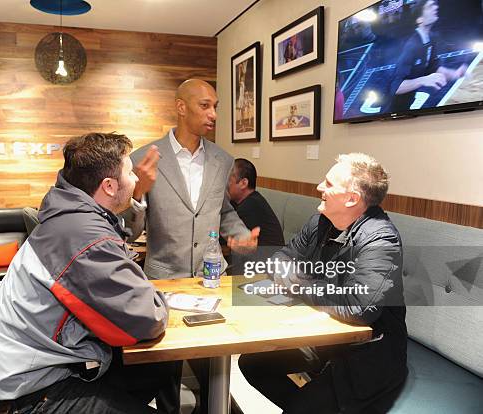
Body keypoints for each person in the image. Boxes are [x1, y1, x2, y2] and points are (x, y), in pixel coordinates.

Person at [0, 132, 179, 414]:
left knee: (160, 366)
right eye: (129, 172)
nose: (136, 179)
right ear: (109, 186)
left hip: (45, 365)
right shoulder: (84, 238)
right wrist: (156, 295)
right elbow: (147, 318)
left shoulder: (72, 213)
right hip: (36, 392)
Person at [123, 79, 259, 414]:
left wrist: (239, 233)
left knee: (215, 368)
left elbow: (222, 210)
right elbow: (126, 229)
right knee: (166, 374)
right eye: (204, 105)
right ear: (181, 107)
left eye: (216, 106)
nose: (213, 114)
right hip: (163, 281)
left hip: (211, 281)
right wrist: (138, 193)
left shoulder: (222, 160)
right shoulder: (144, 157)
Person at [239, 153, 408, 413]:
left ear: (352, 198)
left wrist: (296, 282)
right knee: (252, 364)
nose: (319, 187)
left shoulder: (381, 240)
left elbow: (357, 308)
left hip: (369, 353)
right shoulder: (322, 222)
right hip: (326, 340)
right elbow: (280, 259)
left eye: (329, 184)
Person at [389, 0, 467, 112]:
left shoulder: (431, 38)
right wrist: (423, 80)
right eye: (430, 6)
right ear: (420, 20)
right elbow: (395, 87)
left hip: (408, 105)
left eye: (435, 5)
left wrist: (455, 74)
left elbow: (434, 67)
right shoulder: (411, 45)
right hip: (393, 107)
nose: (436, 7)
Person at [227, 158, 284, 248]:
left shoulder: (251, 205)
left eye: (229, 180)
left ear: (243, 183)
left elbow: (226, 238)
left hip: (269, 259)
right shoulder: (237, 201)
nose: (225, 184)